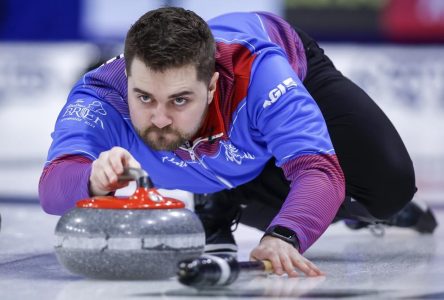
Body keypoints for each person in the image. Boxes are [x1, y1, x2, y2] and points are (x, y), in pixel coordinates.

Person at [39, 7, 437, 277]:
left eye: (180, 100)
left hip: (290, 62)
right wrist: (90, 178)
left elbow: (319, 171)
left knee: (388, 188)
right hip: (234, 131)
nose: (159, 118)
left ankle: (360, 210)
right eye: (144, 97)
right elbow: (52, 188)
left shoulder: (258, 73)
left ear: (211, 85)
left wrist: (284, 236)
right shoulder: (100, 97)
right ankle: (220, 195)